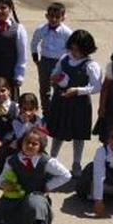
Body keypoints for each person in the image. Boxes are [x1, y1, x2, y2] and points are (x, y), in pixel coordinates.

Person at [0, 127, 70, 224]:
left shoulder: (46, 161)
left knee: (34, 204)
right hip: (16, 193)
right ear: (21, 143)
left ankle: (37, 223)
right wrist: (4, 184)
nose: (30, 146)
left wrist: (47, 186)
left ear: (40, 146)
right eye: (27, 142)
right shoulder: (12, 160)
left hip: (36, 194)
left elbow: (66, 175)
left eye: (34, 144)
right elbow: (1, 178)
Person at [45, 29, 101, 176]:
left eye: (78, 50)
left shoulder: (91, 65)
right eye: (72, 49)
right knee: (58, 133)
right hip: (61, 101)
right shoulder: (64, 58)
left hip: (79, 104)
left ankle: (76, 163)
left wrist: (77, 90)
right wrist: (56, 78)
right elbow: (54, 73)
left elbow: (96, 87)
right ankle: (52, 160)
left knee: (78, 135)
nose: (74, 53)